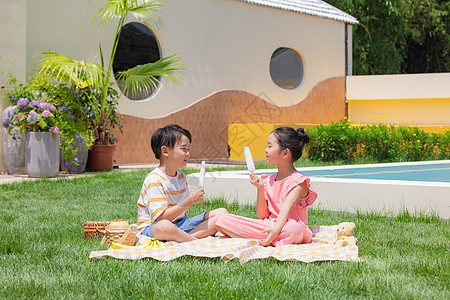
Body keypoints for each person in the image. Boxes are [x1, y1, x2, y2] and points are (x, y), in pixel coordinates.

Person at [215, 127, 317, 247]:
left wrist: (275, 231)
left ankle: (257, 236)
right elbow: (262, 216)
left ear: (285, 153)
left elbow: (286, 209)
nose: (265, 150)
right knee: (223, 219)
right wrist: (260, 188)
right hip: (270, 225)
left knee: (292, 229)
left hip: (292, 228)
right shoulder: (269, 180)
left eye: (269, 146)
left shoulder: (298, 182)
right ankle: (270, 239)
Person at [137, 124, 227, 242]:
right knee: (165, 226)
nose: (188, 153)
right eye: (184, 149)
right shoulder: (154, 179)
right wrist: (189, 201)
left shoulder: (180, 177)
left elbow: (183, 215)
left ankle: (187, 239)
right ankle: (190, 240)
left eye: (188, 149)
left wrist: (188, 222)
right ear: (165, 151)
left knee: (222, 214)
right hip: (153, 229)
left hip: (178, 225)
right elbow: (160, 219)